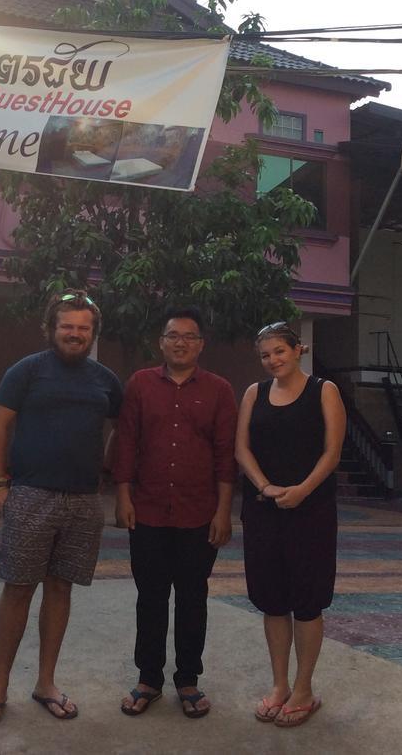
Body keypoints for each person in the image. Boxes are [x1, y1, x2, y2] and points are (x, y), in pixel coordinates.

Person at [0, 289, 123, 728]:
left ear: (93, 333)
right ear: (52, 329)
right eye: (67, 327)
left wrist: (107, 467)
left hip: (83, 501)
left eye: (83, 328)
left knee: (61, 589)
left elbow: (122, 426)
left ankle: (45, 683)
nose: (75, 334)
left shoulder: (105, 380)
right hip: (31, 495)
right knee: (18, 588)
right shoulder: (27, 371)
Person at [112, 307, 237, 719]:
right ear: (161, 342)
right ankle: (149, 677)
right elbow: (127, 443)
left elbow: (224, 454)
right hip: (146, 510)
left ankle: (188, 679)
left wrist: (223, 511)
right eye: (172, 335)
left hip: (199, 514)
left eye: (189, 336)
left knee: (192, 598)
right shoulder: (141, 385)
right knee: (150, 597)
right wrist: (123, 496)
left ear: (201, 345)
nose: (180, 342)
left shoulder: (219, 390)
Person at [234, 321, 345, 730]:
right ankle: (279, 685)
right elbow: (241, 447)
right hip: (264, 509)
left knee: (307, 601)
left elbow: (332, 451)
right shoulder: (253, 394)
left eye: (279, 351)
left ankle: (303, 689)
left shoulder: (324, 390)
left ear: (299, 349)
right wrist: (263, 485)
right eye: (265, 355)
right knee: (273, 600)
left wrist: (301, 490)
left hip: (311, 510)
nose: (272, 361)